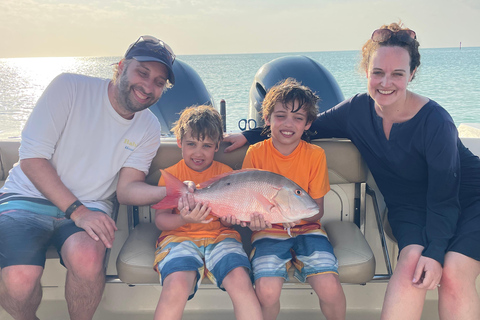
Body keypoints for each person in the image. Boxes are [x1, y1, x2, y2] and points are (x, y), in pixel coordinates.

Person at [225, 22, 480, 320]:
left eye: (397, 73)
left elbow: (444, 197)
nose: (386, 82)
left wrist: (436, 253)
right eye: (377, 73)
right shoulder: (357, 110)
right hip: (410, 207)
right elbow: (305, 127)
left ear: (411, 75)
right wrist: (250, 136)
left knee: (453, 273)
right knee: (411, 266)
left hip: (467, 199)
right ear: (366, 72)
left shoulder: (436, 121)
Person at [0, 35, 183, 320]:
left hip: (92, 202)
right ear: (121, 67)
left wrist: (173, 193)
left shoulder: (148, 126)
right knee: (18, 280)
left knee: (87, 259)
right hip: (27, 197)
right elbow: (32, 159)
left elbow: (125, 190)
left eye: (159, 82)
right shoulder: (69, 88)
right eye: (142, 73)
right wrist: (78, 211)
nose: (148, 87)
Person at [238, 78, 346, 320]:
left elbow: (316, 211)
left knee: (330, 286)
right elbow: (247, 203)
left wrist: (292, 218)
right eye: (280, 116)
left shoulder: (316, 155)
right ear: (266, 119)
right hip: (268, 232)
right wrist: (254, 222)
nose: (289, 124)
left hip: (309, 230)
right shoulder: (255, 153)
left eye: (298, 118)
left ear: (308, 124)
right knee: (266, 291)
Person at [153, 105, 262, 320]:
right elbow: (161, 221)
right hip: (178, 238)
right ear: (179, 143)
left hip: (221, 237)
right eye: (191, 144)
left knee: (241, 281)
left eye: (207, 145)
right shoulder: (172, 176)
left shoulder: (227, 175)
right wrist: (183, 218)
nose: (198, 152)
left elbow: (231, 221)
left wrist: (230, 221)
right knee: (175, 285)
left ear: (217, 146)